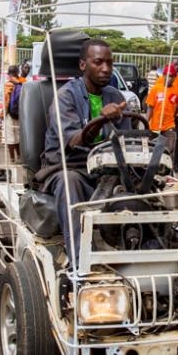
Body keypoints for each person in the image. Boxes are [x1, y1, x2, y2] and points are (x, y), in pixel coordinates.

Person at [41, 38, 130, 262]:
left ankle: (141, 252)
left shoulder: (115, 96)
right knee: (69, 182)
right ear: (83, 65)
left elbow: (125, 142)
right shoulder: (65, 96)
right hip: (69, 166)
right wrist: (101, 120)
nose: (106, 69)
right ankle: (80, 261)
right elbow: (74, 142)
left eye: (110, 63)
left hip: (105, 169)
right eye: (99, 62)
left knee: (153, 183)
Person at [146, 65, 178, 155]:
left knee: (169, 149)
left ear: (175, 77)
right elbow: (150, 108)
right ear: (163, 76)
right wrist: (146, 123)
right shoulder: (155, 89)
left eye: (171, 76)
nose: (169, 78)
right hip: (155, 127)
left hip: (169, 126)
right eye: (167, 75)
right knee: (152, 151)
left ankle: (169, 168)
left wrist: (171, 117)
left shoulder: (177, 92)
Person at [3, 63, 28, 162]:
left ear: (9, 74)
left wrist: (2, 114)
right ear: (17, 72)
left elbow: (6, 100)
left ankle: (12, 158)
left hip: (10, 113)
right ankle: (20, 156)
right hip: (20, 113)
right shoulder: (23, 82)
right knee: (18, 135)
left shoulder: (8, 84)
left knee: (10, 135)